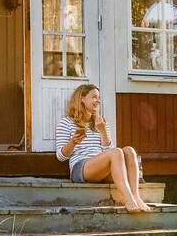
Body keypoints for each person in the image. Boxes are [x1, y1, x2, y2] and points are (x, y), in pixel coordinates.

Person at [55, 84, 151, 213]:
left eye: (99, 97)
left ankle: (136, 197)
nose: (98, 100)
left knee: (129, 151)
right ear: (82, 98)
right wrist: (72, 142)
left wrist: (103, 131)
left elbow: (108, 152)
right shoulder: (66, 122)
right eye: (94, 97)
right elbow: (61, 157)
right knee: (117, 152)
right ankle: (128, 199)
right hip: (81, 167)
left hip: (101, 167)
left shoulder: (101, 123)